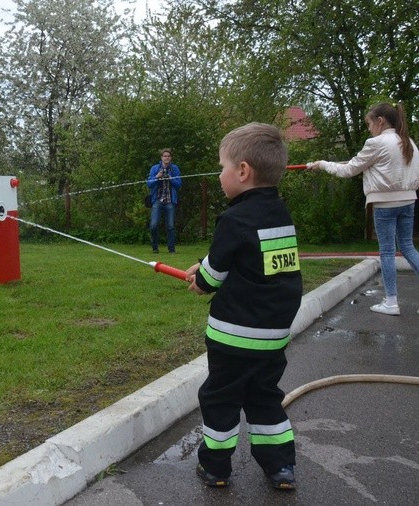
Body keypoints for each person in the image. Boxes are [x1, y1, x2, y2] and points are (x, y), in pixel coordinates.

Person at [185, 123, 302, 490]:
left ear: (243, 171)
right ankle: (281, 467)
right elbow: (260, 262)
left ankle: (216, 467)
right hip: (273, 335)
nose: (219, 175)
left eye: (222, 167)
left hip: (233, 336)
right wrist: (209, 267)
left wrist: (200, 278)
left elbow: (212, 277)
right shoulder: (280, 215)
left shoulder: (233, 218)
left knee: (219, 397)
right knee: (265, 398)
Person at [308, 102, 419, 315]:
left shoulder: (375, 143)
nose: (368, 128)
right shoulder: (410, 143)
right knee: (407, 248)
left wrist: (322, 164)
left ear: (380, 121)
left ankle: (391, 302)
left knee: (387, 251)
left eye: (369, 123)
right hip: (408, 202)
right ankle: (390, 301)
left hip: (384, 204)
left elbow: (348, 170)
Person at [146, 148, 182, 253]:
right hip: (157, 200)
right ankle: (155, 248)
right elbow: (149, 183)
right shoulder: (155, 168)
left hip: (170, 201)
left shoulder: (174, 169)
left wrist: (171, 178)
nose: (167, 158)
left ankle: (171, 250)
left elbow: (179, 184)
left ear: (171, 158)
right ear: (161, 158)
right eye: (165, 156)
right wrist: (157, 177)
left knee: (170, 226)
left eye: (168, 156)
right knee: (153, 225)